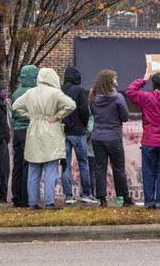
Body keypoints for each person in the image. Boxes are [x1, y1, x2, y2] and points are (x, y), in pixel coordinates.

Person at [12, 67, 76, 209]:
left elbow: (15, 106)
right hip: (51, 131)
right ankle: (49, 201)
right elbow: (71, 104)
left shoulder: (30, 93)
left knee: (33, 168)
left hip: (34, 130)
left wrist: (30, 116)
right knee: (50, 168)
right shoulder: (55, 93)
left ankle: (32, 202)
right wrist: (58, 116)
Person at [125, 72, 160, 209]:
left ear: (154, 84)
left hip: (149, 142)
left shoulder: (146, 98)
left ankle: (149, 202)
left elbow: (130, 91)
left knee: (148, 173)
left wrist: (143, 79)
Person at [89, 69, 132, 207]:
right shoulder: (118, 97)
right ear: (110, 81)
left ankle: (102, 199)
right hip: (114, 136)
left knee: (100, 168)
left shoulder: (93, 96)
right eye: (114, 78)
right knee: (118, 168)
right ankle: (124, 197)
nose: (116, 81)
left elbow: (93, 113)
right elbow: (125, 117)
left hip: (97, 137)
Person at [60, 66, 95, 204]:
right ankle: (86, 193)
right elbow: (85, 111)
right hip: (78, 131)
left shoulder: (60, 90)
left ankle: (68, 195)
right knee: (83, 163)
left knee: (65, 164)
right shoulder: (80, 90)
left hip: (63, 132)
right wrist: (85, 126)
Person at [9, 64, 39, 208]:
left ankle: (16, 197)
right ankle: (26, 197)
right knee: (29, 164)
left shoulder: (16, 93)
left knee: (17, 165)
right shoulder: (34, 92)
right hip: (29, 130)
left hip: (17, 132)